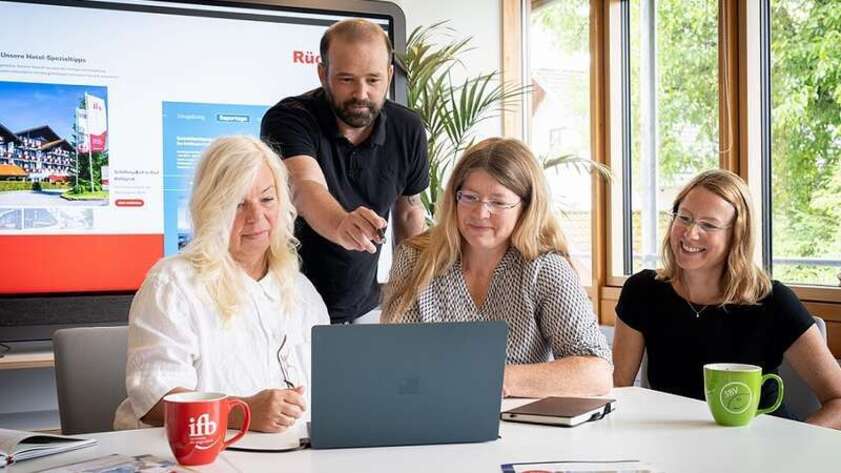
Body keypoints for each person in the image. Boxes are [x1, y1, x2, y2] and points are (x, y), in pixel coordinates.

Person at [113, 136, 329, 432]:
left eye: (267, 199)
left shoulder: (302, 291)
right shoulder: (172, 284)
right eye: (238, 204)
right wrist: (244, 412)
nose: (257, 217)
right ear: (211, 208)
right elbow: (154, 400)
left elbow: (329, 395)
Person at [381, 138, 612, 398]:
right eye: (469, 197)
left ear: (526, 208)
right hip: (424, 418)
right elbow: (396, 361)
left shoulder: (545, 269)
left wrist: (495, 377)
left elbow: (597, 372)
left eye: (498, 202)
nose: (480, 213)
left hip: (523, 429)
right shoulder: (414, 258)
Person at [612, 169, 841, 428]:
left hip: (761, 452)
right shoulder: (642, 291)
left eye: (708, 225)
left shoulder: (773, 301)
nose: (689, 233)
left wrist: (799, 444)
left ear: (737, 236)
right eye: (684, 218)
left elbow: (838, 399)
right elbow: (617, 388)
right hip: (675, 448)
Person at [261, 19, 429, 324]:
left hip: (364, 305)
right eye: (347, 79)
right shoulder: (289, 118)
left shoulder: (408, 128)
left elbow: (408, 213)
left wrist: (410, 293)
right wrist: (341, 223)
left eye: (373, 80)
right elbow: (303, 186)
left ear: (390, 75)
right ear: (323, 74)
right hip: (289, 303)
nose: (361, 94)